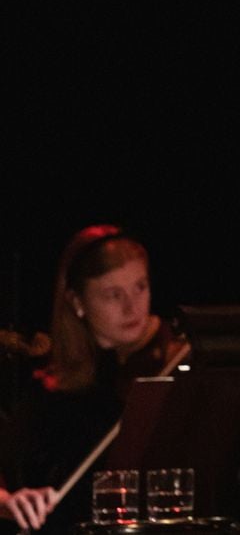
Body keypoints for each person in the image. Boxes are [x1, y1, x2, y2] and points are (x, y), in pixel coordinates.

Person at [0, 225, 187, 533]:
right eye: (114, 294)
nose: (133, 307)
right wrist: (8, 501)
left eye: (140, 287)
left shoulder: (175, 362)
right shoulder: (45, 391)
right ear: (77, 302)